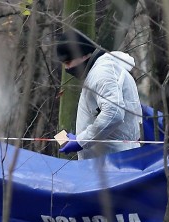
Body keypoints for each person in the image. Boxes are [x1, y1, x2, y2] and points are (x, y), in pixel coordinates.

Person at [56, 30, 143, 160]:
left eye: (68, 62)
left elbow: (114, 113)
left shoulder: (102, 73)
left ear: (83, 55)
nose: (67, 69)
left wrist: (81, 141)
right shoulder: (99, 70)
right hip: (107, 160)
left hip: (113, 163)